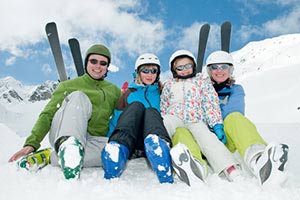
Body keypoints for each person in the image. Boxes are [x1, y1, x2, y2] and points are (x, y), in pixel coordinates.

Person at [8, 44, 122, 180]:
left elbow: (121, 116)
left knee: (117, 152)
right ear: (87, 63)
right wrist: (31, 143)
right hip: (64, 131)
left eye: (103, 63)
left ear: (107, 67)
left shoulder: (114, 91)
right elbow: (48, 114)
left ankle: (52, 156)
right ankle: (69, 146)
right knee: (79, 97)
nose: (98, 66)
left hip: (93, 140)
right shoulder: (68, 85)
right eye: (93, 61)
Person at [205, 50, 289, 185]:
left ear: (230, 70)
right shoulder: (200, 89)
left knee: (235, 118)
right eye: (215, 67)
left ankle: (259, 161)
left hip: (225, 139)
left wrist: (217, 124)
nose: (219, 71)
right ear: (209, 70)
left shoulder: (236, 89)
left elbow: (234, 109)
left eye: (224, 67)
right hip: (204, 139)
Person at [160, 50, 240, 186]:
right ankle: (158, 147)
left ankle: (229, 167)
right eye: (180, 67)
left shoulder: (202, 81)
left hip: (195, 119)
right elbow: (164, 105)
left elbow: (210, 102)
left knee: (208, 139)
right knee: (163, 123)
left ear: (194, 66)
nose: (184, 70)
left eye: (188, 66)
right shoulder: (169, 85)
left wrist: (217, 125)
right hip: (175, 116)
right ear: (174, 70)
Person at [101, 53, 174, 184]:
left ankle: (160, 150)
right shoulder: (129, 94)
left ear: (158, 74)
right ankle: (117, 149)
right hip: (130, 139)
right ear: (138, 73)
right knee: (136, 106)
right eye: (145, 70)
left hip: (152, 137)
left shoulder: (162, 92)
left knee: (151, 112)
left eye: (153, 71)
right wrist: (110, 139)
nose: (149, 74)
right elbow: (118, 118)